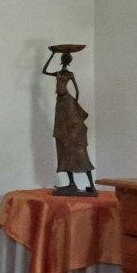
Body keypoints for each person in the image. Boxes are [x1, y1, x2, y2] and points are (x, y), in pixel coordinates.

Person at [42, 45, 95, 195]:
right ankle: (72, 183)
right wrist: (51, 55)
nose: (65, 60)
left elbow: (77, 90)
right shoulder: (58, 73)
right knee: (63, 144)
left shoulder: (70, 74)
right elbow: (44, 71)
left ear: (68, 61)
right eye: (64, 58)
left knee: (76, 150)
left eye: (66, 59)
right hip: (60, 104)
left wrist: (75, 107)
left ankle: (90, 185)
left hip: (67, 101)